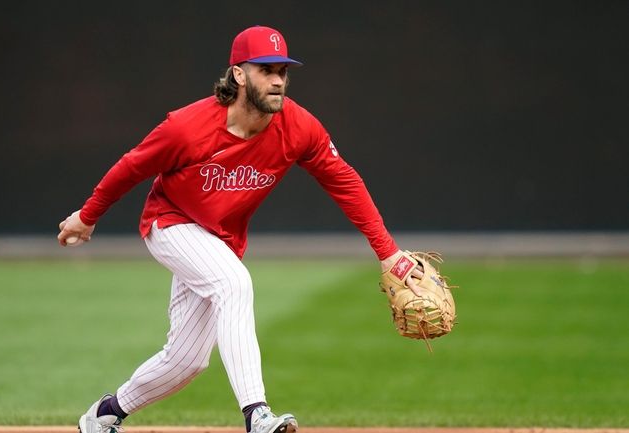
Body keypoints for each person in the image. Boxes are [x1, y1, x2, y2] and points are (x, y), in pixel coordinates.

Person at [58, 25, 423, 433]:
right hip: (171, 222)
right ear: (238, 74)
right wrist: (87, 216)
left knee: (187, 360)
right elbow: (131, 167)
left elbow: (344, 181)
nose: (278, 79)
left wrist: (388, 252)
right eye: (266, 69)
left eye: (283, 70)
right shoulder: (186, 127)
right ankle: (257, 414)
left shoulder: (299, 128)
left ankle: (105, 414)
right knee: (234, 284)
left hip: (221, 240)